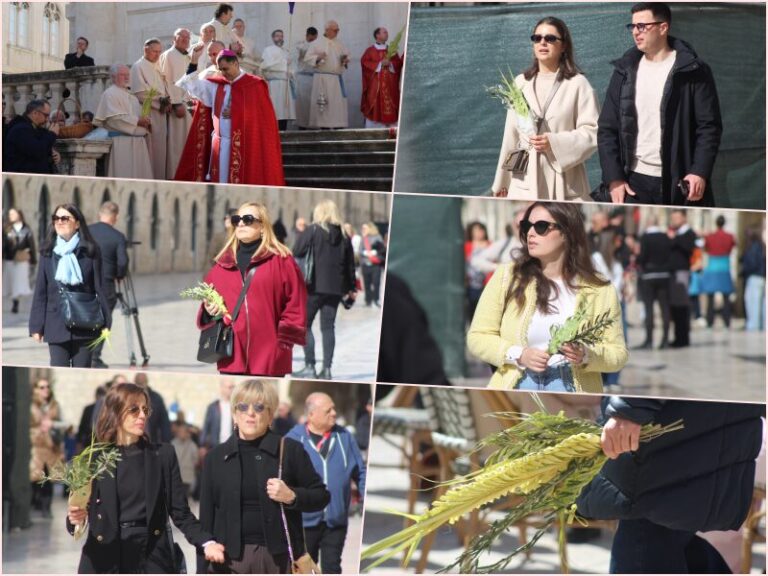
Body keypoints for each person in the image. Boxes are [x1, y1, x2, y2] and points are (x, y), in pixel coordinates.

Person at [576, 396, 764, 573]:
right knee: (666, 538)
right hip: (693, 424)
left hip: (669, 429)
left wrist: (628, 408)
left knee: (645, 538)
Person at [467, 202, 627, 393]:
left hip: (574, 390)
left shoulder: (599, 288)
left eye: (541, 227)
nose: (530, 233)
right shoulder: (507, 276)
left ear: (567, 233)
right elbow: (478, 336)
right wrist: (519, 354)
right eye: (527, 226)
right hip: (517, 386)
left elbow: (618, 354)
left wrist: (586, 355)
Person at [66, 382, 226, 573]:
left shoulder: (163, 455)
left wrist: (207, 542)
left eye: (145, 409)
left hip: (152, 555)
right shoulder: (93, 458)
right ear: (115, 412)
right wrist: (76, 519)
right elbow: (80, 511)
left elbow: (180, 512)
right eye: (134, 409)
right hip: (105, 555)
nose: (142, 415)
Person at [198, 380, 330, 573]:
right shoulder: (215, 457)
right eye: (243, 406)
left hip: (277, 560)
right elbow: (206, 519)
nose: (250, 413)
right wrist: (201, 569)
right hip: (227, 560)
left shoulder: (290, 451)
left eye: (259, 407)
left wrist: (291, 496)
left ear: (270, 415)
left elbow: (321, 496)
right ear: (235, 413)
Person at [597, 2, 722, 206]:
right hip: (633, 181)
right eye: (633, 27)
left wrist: (699, 172)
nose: (636, 32)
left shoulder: (693, 71)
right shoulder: (624, 70)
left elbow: (709, 127)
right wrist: (614, 178)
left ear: (663, 28)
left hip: (679, 182)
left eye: (642, 26)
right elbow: (607, 129)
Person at [491, 17, 599, 201]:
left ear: (563, 45)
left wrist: (554, 142)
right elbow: (511, 135)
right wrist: (503, 183)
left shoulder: (578, 84)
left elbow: (593, 132)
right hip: (523, 180)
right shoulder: (520, 82)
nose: (542, 42)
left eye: (550, 38)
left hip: (563, 180)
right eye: (537, 38)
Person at [198, 202, 307, 376]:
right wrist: (209, 310)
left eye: (248, 219)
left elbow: (296, 303)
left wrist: (283, 342)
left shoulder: (282, 262)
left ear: (262, 226)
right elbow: (210, 305)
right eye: (237, 219)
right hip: (232, 355)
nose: (240, 223)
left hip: (269, 357)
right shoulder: (221, 265)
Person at [176, 50, 285, 185]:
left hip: (245, 145)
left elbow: (261, 118)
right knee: (220, 182)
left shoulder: (255, 85)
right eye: (220, 69)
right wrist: (193, 61)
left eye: (226, 69)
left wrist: (236, 112)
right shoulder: (217, 85)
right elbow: (193, 85)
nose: (223, 73)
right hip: (220, 143)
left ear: (235, 63)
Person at [286, 392, 367, 574]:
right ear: (311, 415)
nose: (334, 413)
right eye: (328, 410)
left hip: (335, 520)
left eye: (334, 409)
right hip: (304, 523)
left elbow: (360, 472)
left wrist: (365, 499)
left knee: (332, 568)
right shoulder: (292, 439)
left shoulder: (344, 436)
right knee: (304, 570)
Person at [29, 204, 112, 368]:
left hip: (86, 323)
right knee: (58, 366)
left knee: (82, 369)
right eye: (56, 218)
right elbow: (40, 291)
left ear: (77, 223)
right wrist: (36, 326)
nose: (59, 222)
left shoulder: (91, 251)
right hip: (55, 321)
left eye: (65, 218)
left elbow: (100, 289)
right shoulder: (47, 252)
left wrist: (106, 324)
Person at [292, 200, 356, 380]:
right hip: (335, 289)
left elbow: (296, 250)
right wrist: (351, 288)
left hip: (313, 286)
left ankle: (310, 365)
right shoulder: (344, 235)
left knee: (303, 325)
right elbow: (351, 264)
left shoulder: (313, 230)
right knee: (328, 328)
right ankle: (327, 369)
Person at [92, 65, 154, 180]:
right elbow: (114, 119)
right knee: (123, 178)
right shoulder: (109, 94)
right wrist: (137, 121)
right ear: (113, 77)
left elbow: (138, 117)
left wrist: (145, 122)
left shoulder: (132, 96)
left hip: (138, 143)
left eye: (128, 75)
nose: (126, 78)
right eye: (122, 75)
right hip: (121, 143)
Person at [88, 201, 129, 369]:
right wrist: (119, 275)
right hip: (106, 283)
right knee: (105, 320)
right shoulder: (118, 237)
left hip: (85, 281)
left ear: (100, 214)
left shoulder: (87, 232)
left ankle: (83, 354)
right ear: (116, 217)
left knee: (85, 317)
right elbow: (123, 262)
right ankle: (95, 357)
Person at [131, 38, 171, 181]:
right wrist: (160, 101)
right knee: (152, 150)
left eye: (159, 52)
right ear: (145, 50)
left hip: (161, 113)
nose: (158, 55)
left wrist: (168, 98)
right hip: (148, 112)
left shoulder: (157, 66)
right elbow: (139, 93)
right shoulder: (138, 67)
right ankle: (150, 179)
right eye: (155, 51)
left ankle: (161, 178)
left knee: (161, 150)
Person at [159, 28, 194, 179]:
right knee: (177, 143)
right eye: (181, 36)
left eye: (187, 37)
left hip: (190, 104)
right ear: (174, 38)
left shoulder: (189, 56)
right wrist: (175, 103)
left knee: (189, 143)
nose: (185, 39)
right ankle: (175, 175)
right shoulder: (169, 55)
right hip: (179, 106)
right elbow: (167, 81)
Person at [304, 20, 350, 129]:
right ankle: (323, 127)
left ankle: (337, 126)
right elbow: (307, 58)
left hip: (335, 80)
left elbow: (346, 56)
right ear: (327, 30)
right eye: (335, 30)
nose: (337, 31)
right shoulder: (316, 43)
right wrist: (318, 58)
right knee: (324, 105)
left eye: (338, 29)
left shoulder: (339, 44)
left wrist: (345, 60)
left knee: (336, 105)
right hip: (322, 78)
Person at [635, 215, 672, 349]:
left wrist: (638, 261)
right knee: (665, 308)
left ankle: (649, 341)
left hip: (649, 276)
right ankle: (665, 340)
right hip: (664, 275)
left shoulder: (645, 237)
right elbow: (670, 255)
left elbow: (642, 256)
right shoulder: (665, 237)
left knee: (649, 308)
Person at [29, 378, 63, 519]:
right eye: (42, 387)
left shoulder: (54, 405)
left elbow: (63, 423)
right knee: (35, 478)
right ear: (35, 389)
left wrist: (52, 424)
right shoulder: (31, 405)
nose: (45, 390)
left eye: (47, 387)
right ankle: (34, 506)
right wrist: (39, 429)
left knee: (49, 480)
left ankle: (46, 509)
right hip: (36, 447)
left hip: (51, 447)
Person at [360, 27, 404, 128]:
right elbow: (364, 63)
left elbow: (398, 63)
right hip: (376, 87)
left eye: (387, 32)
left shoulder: (391, 50)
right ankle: (374, 127)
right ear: (377, 35)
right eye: (384, 32)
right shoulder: (370, 51)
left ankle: (392, 127)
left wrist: (391, 64)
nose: (387, 34)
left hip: (390, 86)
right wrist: (380, 64)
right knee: (375, 104)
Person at [3, 99, 60, 174]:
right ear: (35, 113)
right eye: (46, 115)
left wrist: (54, 155)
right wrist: (52, 134)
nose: (47, 119)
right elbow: (37, 151)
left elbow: (42, 144)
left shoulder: (34, 128)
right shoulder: (20, 129)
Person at [667, 209, 697, 347]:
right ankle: (678, 337)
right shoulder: (676, 233)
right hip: (673, 273)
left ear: (684, 217)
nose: (674, 221)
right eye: (672, 218)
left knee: (681, 306)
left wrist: (674, 239)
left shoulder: (689, 233)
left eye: (677, 217)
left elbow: (688, 248)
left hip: (682, 272)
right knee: (675, 307)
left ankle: (683, 338)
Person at [701, 215, 735, 328]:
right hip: (724, 267)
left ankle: (710, 322)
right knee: (726, 297)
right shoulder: (730, 236)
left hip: (712, 267)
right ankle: (727, 322)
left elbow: (706, 249)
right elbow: (731, 249)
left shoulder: (709, 236)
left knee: (710, 297)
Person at [262, 29, 296, 131]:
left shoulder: (286, 51)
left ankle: (283, 130)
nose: (280, 38)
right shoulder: (268, 50)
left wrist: (291, 72)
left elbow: (291, 69)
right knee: (276, 109)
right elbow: (267, 65)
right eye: (277, 36)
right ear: (273, 38)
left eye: (281, 36)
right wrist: (284, 63)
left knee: (284, 111)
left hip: (285, 84)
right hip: (275, 84)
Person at [4, 208, 36, 314]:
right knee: (11, 282)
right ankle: (14, 300)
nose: (10, 216)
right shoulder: (7, 229)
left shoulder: (26, 229)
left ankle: (15, 303)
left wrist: (33, 259)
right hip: (10, 259)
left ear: (19, 214)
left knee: (18, 283)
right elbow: (4, 245)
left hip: (22, 260)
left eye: (13, 214)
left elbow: (31, 245)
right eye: (9, 214)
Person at [464, 221, 492, 321]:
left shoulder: (490, 245)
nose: (479, 233)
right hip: (471, 285)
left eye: (481, 230)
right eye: (476, 230)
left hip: (487, 284)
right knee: (472, 309)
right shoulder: (467, 245)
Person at [200, 379, 236, 453]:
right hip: (215, 445)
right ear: (222, 388)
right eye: (229, 387)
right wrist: (202, 445)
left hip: (231, 445)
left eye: (233, 387)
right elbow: (206, 426)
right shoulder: (213, 407)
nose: (231, 390)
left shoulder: (236, 407)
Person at [741, 224, 766, 332]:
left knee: (753, 303)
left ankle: (754, 326)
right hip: (760, 277)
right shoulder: (761, 246)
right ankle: (759, 325)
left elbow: (752, 263)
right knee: (759, 303)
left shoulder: (754, 247)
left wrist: (744, 270)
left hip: (754, 277)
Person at [294, 27, 319, 129]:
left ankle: (315, 125)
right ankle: (302, 126)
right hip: (303, 77)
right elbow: (297, 55)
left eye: (315, 38)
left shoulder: (318, 45)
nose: (313, 40)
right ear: (307, 36)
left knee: (315, 104)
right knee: (303, 105)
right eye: (311, 38)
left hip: (315, 77)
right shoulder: (300, 45)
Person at [359, 222, 385, 307]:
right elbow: (360, 250)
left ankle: (376, 299)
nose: (363, 230)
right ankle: (368, 300)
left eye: (365, 228)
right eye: (362, 228)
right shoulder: (363, 238)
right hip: (365, 263)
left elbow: (382, 249)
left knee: (376, 282)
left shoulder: (378, 237)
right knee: (367, 283)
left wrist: (375, 252)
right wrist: (365, 252)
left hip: (375, 264)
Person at [171, 422, 199, 499]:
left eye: (184, 432)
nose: (182, 434)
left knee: (185, 497)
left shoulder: (192, 445)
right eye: (180, 432)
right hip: (176, 476)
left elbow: (196, 460)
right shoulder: (173, 444)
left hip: (187, 476)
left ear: (187, 433)